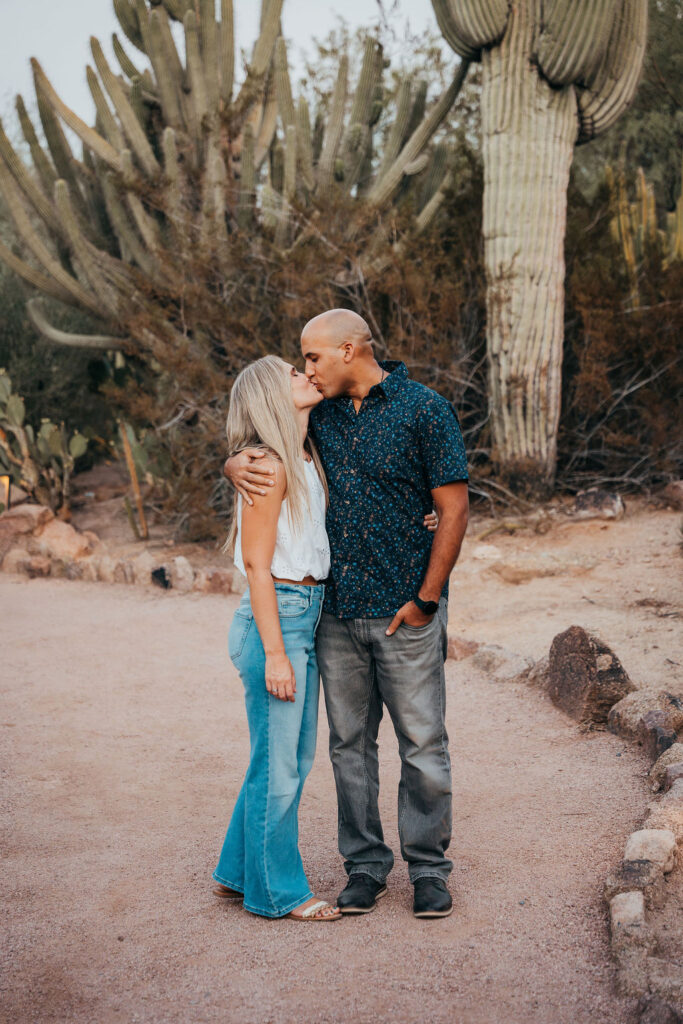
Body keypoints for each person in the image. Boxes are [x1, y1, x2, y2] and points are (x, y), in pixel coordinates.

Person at [225, 310, 469, 919]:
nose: (306, 368)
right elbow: (260, 436)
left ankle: (429, 872)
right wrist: (232, 462)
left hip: (404, 610)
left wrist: (427, 600)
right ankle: (364, 866)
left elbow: (454, 509)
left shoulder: (424, 409)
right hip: (330, 615)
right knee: (347, 748)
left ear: (348, 348)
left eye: (311, 357)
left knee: (422, 744)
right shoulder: (316, 418)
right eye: (300, 364)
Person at [212, 354, 341, 921]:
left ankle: (239, 871)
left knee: (284, 758)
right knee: (282, 765)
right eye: (293, 372)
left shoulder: (302, 453)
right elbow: (257, 566)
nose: (306, 375)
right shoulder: (266, 465)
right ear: (270, 396)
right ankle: (279, 892)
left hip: (303, 614)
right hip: (278, 620)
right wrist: (276, 655)